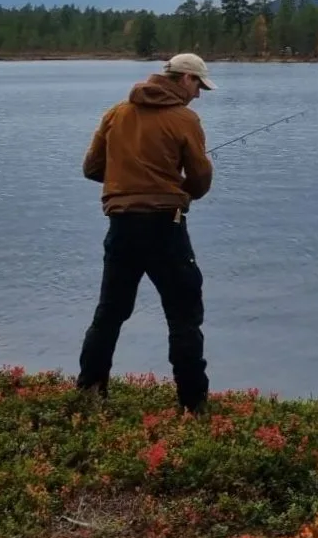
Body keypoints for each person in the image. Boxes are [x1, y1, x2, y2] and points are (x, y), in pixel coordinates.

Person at [75, 52, 216, 414]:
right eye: (199, 85)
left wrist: (127, 178)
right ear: (185, 78)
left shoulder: (116, 114)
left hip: (121, 227)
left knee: (110, 312)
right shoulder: (185, 119)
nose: (199, 93)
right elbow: (200, 179)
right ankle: (194, 405)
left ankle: (89, 392)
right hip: (165, 228)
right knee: (184, 316)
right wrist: (184, 191)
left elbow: (92, 168)